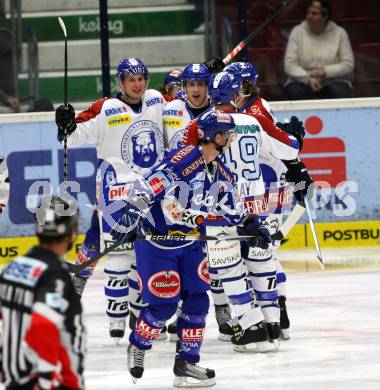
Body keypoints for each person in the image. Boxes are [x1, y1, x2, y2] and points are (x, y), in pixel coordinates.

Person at [111, 110, 264, 386]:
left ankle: (186, 363)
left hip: (191, 243)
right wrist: (132, 211)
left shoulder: (219, 169)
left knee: (197, 300)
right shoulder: (186, 158)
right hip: (158, 244)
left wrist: (253, 225)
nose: (231, 139)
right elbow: (153, 183)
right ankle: (137, 345)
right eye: (227, 134)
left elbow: (229, 205)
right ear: (214, 136)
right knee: (163, 305)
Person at [184, 71, 302, 351]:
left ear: (212, 94)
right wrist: (294, 135)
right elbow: (290, 150)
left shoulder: (200, 123)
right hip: (256, 205)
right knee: (261, 263)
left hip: (220, 206)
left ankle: (251, 326)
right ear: (237, 94)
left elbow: (187, 164)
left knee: (228, 268)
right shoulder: (256, 120)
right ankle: (273, 324)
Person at [55, 57, 166, 342]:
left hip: (153, 190)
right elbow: (74, 134)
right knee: (115, 251)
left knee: (146, 253)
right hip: (115, 191)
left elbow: (185, 109)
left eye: (142, 78)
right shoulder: (106, 108)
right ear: (121, 82)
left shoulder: (157, 100)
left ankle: (136, 308)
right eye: (132, 79)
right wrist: (65, 122)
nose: (138, 84)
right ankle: (115, 313)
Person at [223, 61, 312, 340]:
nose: (237, 89)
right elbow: (284, 144)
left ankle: (277, 311)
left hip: (263, 188)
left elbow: (281, 148)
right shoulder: (251, 109)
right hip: (264, 186)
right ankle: (275, 314)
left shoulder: (252, 111)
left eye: (239, 84)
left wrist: (297, 166)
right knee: (265, 252)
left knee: (264, 253)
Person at [0, 195, 85, 389]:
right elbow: (42, 324)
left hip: (17, 380)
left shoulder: (15, 267)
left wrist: (7, 359)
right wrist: (46, 379)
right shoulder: (54, 274)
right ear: (71, 232)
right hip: (50, 382)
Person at [284, 0, 354, 100]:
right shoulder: (297, 32)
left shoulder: (340, 33)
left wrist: (325, 71)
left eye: (315, 13)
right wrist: (307, 78)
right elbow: (290, 65)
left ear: (325, 16)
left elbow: (348, 64)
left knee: (339, 91)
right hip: (302, 80)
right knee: (295, 91)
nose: (309, 16)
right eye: (308, 13)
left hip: (333, 81)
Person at [163, 63, 211, 151]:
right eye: (191, 84)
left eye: (200, 84)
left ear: (207, 86)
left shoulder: (217, 112)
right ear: (184, 87)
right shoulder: (170, 110)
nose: (196, 89)